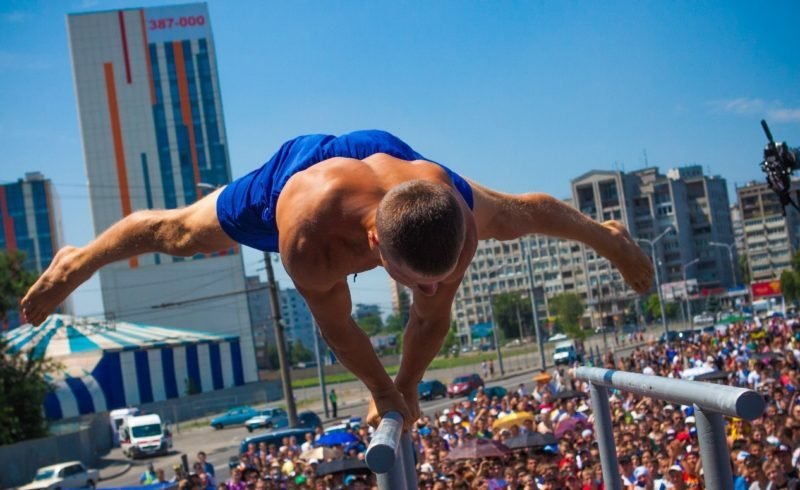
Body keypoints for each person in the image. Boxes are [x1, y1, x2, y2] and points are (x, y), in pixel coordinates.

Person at [20, 129, 653, 430]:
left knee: (511, 216)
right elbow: (341, 329)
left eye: (435, 279)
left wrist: (407, 387)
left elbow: (432, 319)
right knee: (181, 234)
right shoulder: (308, 242)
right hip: (300, 180)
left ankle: (611, 238)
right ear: (373, 245)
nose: (429, 292)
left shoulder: (448, 222)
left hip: (406, 172)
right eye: (413, 281)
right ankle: (80, 259)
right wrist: (382, 391)